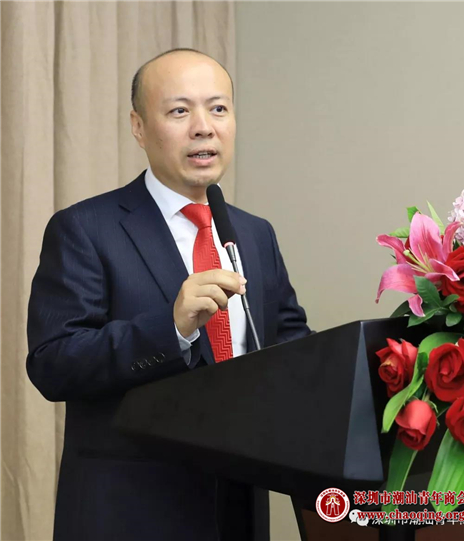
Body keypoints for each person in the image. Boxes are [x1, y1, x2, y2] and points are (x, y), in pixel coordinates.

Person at [26, 48, 311, 541]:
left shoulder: (254, 233)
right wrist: (171, 328)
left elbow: (293, 349)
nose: (204, 127)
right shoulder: (85, 228)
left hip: (239, 506)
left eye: (218, 108)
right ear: (138, 127)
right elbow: (53, 364)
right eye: (180, 111)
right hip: (130, 514)